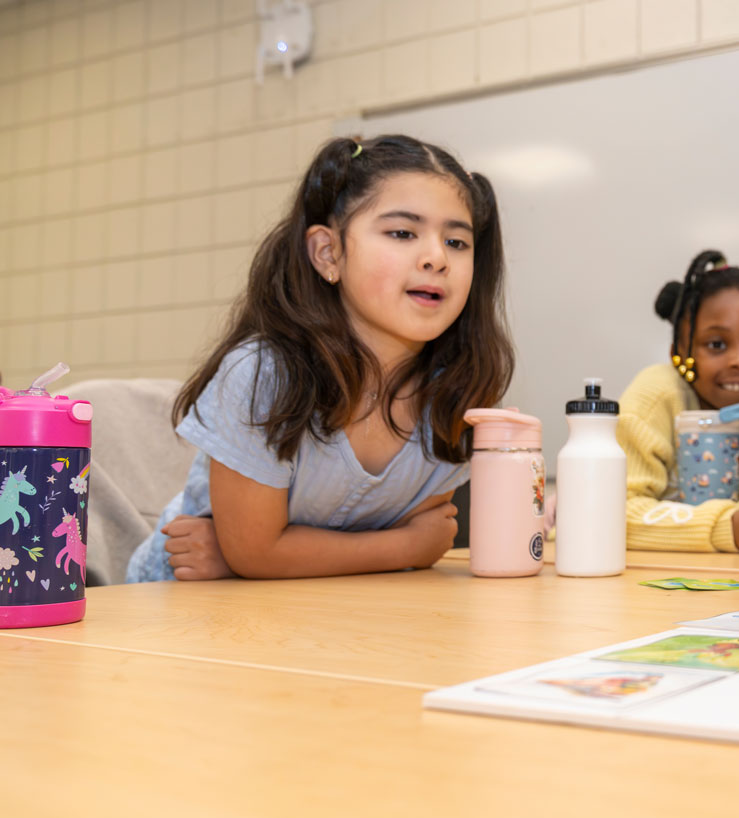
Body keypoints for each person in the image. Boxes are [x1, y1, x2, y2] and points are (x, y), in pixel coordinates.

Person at [126, 135, 513, 581]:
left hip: (320, 613)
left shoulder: (458, 391)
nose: (436, 258)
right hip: (177, 611)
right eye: (403, 233)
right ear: (328, 253)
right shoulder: (262, 374)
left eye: (457, 242)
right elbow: (259, 554)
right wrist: (407, 545)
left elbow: (262, 558)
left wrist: (261, 558)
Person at [617, 251, 739, 553]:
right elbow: (611, 515)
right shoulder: (654, 397)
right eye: (717, 344)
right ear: (678, 352)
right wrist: (726, 526)